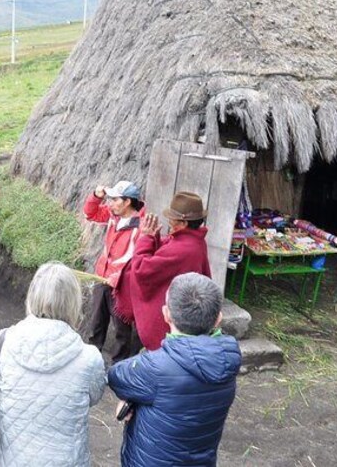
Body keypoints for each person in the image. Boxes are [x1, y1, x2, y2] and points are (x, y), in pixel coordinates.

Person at [108, 273, 240, 466]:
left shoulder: (154, 367)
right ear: (218, 319)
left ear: (166, 314)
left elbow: (116, 375)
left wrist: (130, 401)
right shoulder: (227, 362)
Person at [0, 262, 106, 466]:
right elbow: (94, 396)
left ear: (32, 295)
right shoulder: (89, 358)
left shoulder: (3, 341)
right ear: (73, 302)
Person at [123, 191, 212, 350]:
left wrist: (145, 238)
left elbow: (141, 269)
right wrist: (154, 237)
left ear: (183, 223)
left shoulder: (183, 248)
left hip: (169, 325)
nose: (169, 222)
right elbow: (165, 252)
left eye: (172, 219)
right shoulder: (195, 241)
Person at [83, 180, 144, 362]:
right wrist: (96, 196)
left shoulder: (140, 226)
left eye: (114, 199)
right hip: (102, 278)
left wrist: (117, 277)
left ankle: (118, 367)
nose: (109, 203)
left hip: (122, 285)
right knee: (96, 323)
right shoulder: (113, 216)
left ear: (127, 202)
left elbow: (136, 259)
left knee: (121, 329)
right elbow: (89, 214)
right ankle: (90, 361)